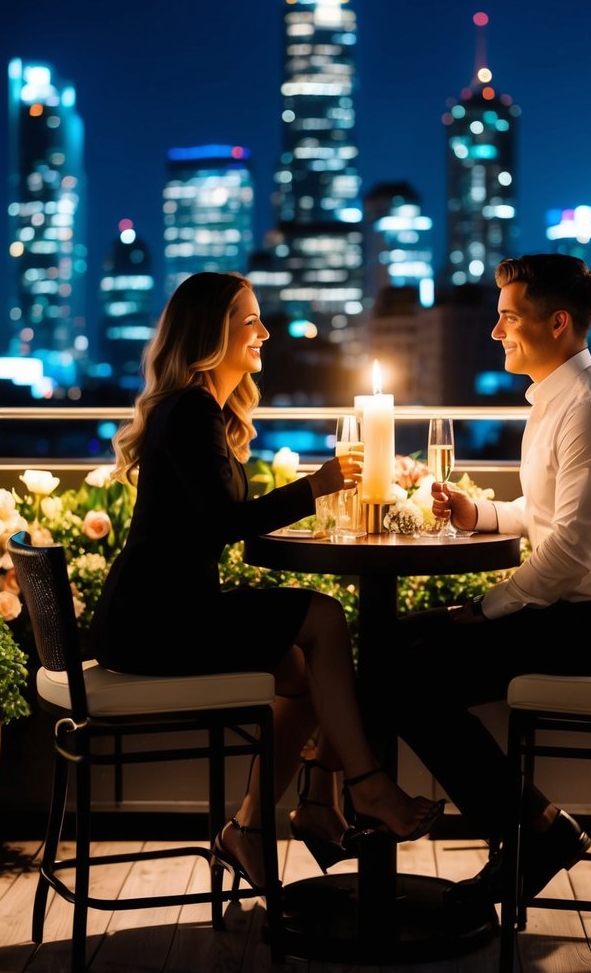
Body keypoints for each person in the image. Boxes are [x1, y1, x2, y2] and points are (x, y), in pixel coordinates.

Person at [90, 271, 442, 889]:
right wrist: (319, 486)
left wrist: (311, 494)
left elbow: (212, 524)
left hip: (167, 610)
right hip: (154, 623)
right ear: (211, 334)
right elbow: (226, 524)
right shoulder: (188, 413)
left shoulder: (204, 413)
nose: (265, 332)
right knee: (324, 618)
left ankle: (259, 826)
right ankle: (364, 789)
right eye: (249, 321)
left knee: (303, 674)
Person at [392, 253, 591, 907]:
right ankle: (533, 830)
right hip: (576, 615)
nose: (496, 332)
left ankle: (531, 833)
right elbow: (550, 516)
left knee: (405, 672)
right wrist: (482, 512)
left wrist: (485, 608)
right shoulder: (558, 399)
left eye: (508, 318)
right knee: (390, 645)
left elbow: (573, 549)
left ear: (557, 323)